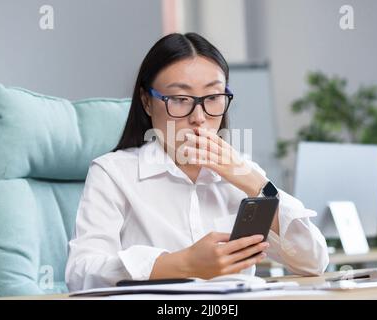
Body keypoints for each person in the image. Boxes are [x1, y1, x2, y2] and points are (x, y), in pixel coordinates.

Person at [65, 33, 329, 291]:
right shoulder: (113, 173)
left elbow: (313, 262)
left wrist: (252, 181)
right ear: (147, 102)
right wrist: (183, 264)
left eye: (213, 98)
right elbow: (82, 272)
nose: (199, 117)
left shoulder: (242, 175)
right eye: (180, 100)